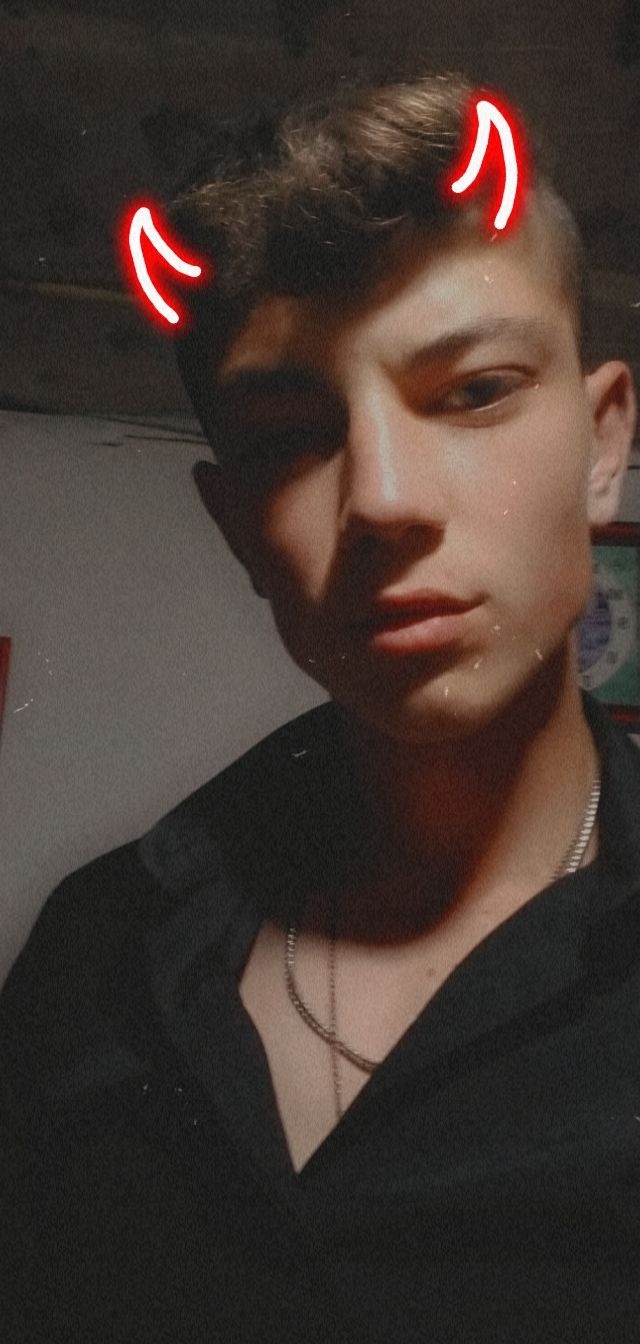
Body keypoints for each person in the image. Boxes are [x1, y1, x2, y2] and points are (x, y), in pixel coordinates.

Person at [1, 71, 639, 1343]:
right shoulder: (96, 951)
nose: (383, 499)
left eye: (473, 391)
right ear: (234, 524)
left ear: (606, 440)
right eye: (287, 437)